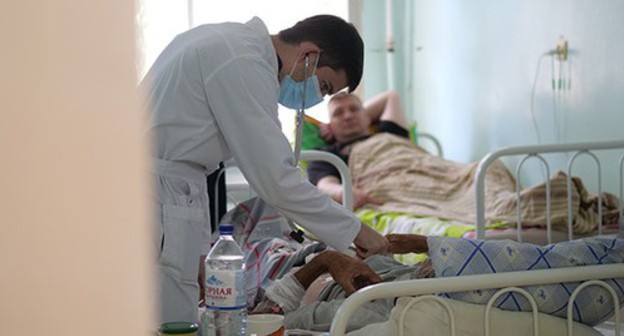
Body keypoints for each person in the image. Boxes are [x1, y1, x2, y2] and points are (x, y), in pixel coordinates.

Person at [141, 15, 388, 324]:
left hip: (168, 190)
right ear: (309, 55)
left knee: (167, 311)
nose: (317, 99)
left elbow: (191, 173)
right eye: (324, 86)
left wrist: (201, 252)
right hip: (157, 193)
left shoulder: (227, 42)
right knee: (168, 319)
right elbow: (276, 180)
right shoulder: (243, 62)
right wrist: (358, 231)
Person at [307, 90, 409, 209]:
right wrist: (346, 194)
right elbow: (326, 186)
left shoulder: (390, 132)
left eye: (354, 109)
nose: (348, 116)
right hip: (381, 197)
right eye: (338, 113)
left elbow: (391, 96)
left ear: (367, 116)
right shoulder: (326, 155)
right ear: (330, 126)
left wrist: (362, 115)